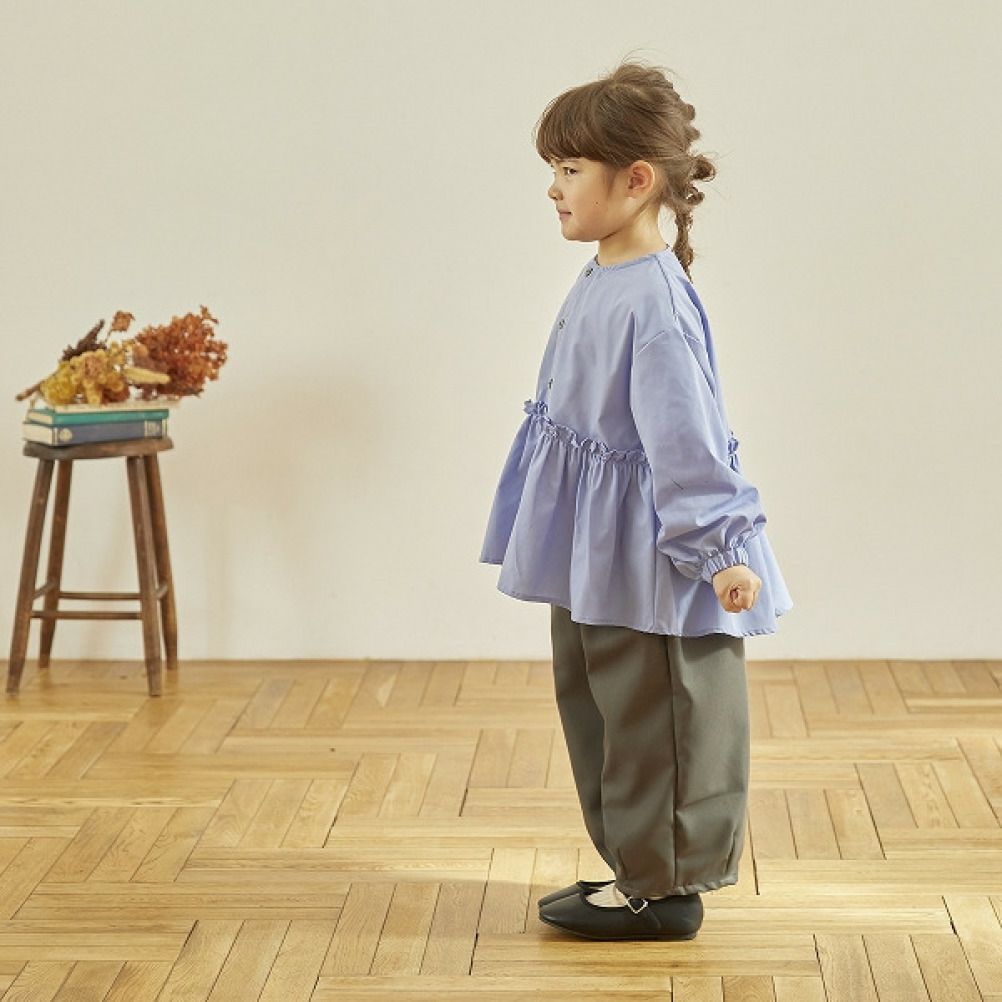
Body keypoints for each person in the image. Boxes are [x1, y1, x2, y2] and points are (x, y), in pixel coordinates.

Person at [478, 58, 794, 942]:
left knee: (656, 714)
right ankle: (633, 865)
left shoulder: (654, 305)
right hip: (599, 546)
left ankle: (665, 886)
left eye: (569, 168)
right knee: (601, 705)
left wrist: (720, 552)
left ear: (636, 179)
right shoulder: (606, 277)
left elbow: (684, 438)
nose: (553, 187)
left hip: (654, 553)